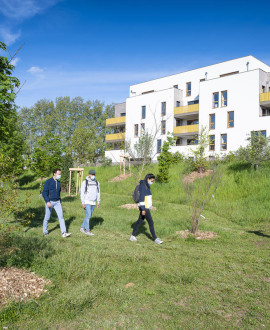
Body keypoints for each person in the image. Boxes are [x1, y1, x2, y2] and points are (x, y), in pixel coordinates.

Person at [130, 173, 163, 244]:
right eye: (152, 180)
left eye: (153, 181)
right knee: (151, 222)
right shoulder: (143, 186)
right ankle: (155, 238)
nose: (152, 182)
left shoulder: (146, 185)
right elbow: (142, 198)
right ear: (148, 179)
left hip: (146, 207)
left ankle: (132, 236)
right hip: (145, 207)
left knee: (140, 221)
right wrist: (143, 209)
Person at [42, 168, 72, 238]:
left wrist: (60, 202)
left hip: (57, 202)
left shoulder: (58, 183)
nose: (59, 175)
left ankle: (64, 232)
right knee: (47, 217)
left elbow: (58, 193)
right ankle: (45, 232)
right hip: (50, 202)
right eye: (59, 174)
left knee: (61, 217)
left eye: (60, 174)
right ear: (54, 174)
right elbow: (44, 193)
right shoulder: (48, 182)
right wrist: (47, 201)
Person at [80, 169, 100, 236]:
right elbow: (82, 193)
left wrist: (98, 201)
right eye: (92, 175)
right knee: (88, 216)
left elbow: (98, 192)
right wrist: (83, 202)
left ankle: (82, 227)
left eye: (94, 175)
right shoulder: (84, 182)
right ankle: (87, 230)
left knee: (88, 216)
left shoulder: (97, 182)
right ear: (89, 175)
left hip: (93, 202)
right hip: (87, 201)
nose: (93, 176)